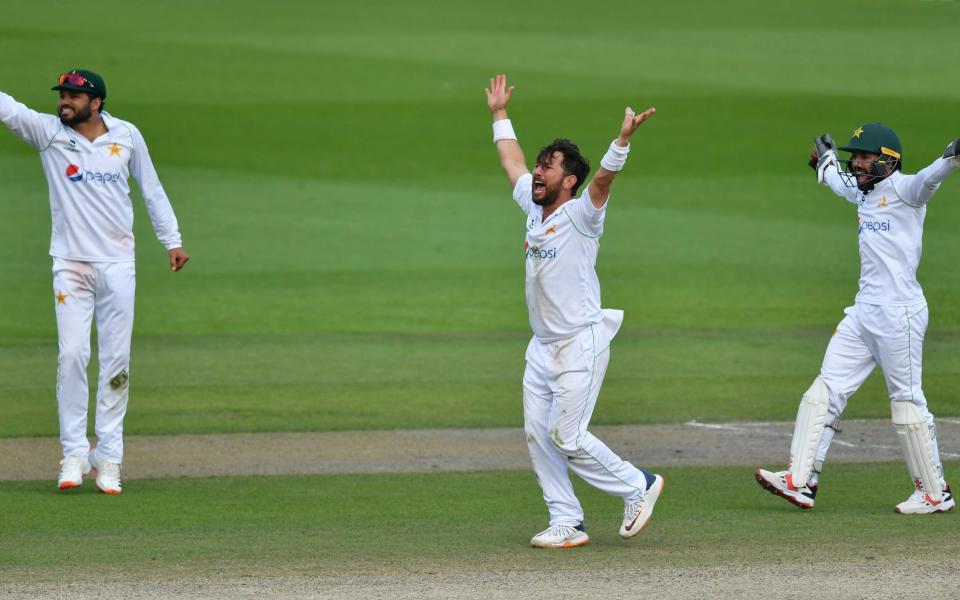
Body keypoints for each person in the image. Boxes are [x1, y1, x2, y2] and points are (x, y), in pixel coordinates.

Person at [484, 73, 664, 548]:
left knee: (567, 435)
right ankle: (566, 518)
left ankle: (637, 485)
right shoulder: (532, 205)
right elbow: (511, 162)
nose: (538, 172)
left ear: (569, 181)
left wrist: (621, 141)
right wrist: (500, 114)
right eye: (541, 164)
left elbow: (604, 181)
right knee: (537, 436)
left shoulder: (583, 214)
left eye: (550, 167)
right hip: (541, 346)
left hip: (579, 342)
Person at [0, 69, 189, 494]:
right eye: (62, 95)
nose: (64, 101)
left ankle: (109, 458)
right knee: (71, 355)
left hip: (118, 264)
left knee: (116, 362)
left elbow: (151, 189)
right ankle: (73, 453)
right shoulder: (49, 133)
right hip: (70, 264)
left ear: (96, 103)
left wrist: (172, 241)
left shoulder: (126, 136)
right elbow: (9, 110)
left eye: (72, 96)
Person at [756, 123, 960, 514]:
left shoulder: (909, 189)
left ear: (888, 160)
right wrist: (826, 161)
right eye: (856, 158)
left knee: (907, 403)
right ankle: (800, 480)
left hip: (899, 313)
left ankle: (934, 493)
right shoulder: (862, 191)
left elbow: (938, 171)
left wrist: (953, 154)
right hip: (864, 312)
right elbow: (836, 179)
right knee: (824, 391)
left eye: (864, 157)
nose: (858, 164)